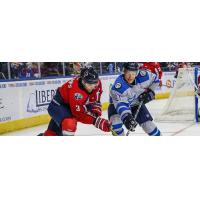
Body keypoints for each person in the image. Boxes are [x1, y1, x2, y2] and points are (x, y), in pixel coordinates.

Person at [43, 67, 111, 136]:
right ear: (83, 82)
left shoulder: (96, 82)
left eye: (95, 84)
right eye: (90, 84)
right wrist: (97, 121)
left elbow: (95, 100)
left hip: (71, 104)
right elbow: (79, 115)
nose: (93, 87)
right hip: (58, 105)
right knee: (69, 124)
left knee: (51, 134)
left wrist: (96, 114)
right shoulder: (77, 93)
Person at [108, 62, 161, 136]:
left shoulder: (144, 76)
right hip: (115, 106)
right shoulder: (118, 87)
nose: (131, 77)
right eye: (128, 74)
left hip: (136, 103)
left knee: (149, 126)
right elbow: (121, 104)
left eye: (133, 74)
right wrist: (126, 117)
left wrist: (150, 93)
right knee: (116, 125)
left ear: (137, 72)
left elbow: (156, 80)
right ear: (124, 72)